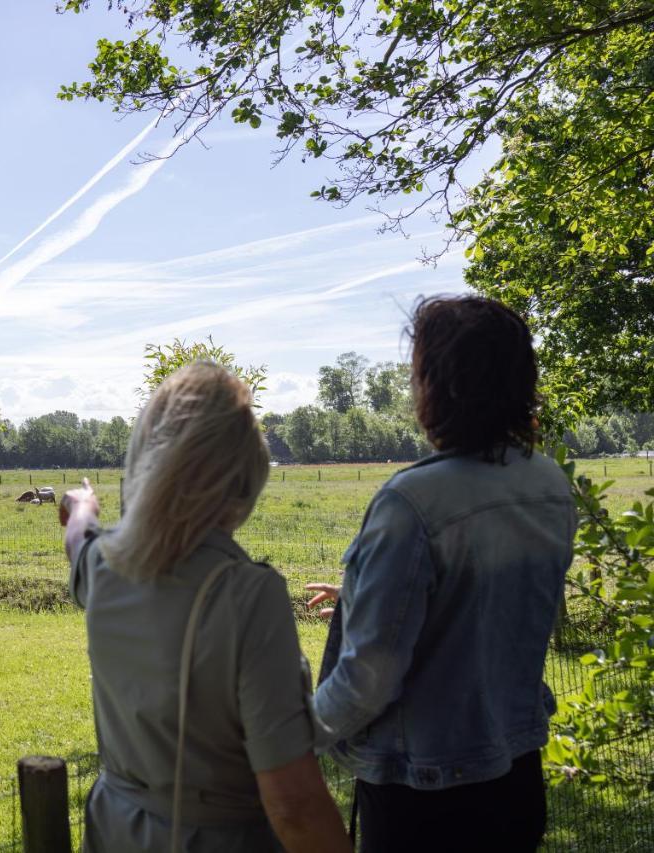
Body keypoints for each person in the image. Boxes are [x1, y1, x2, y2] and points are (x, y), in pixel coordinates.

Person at [305, 296, 577, 852]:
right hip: (517, 777)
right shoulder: (548, 484)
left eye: (417, 375)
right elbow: (484, 606)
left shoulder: (411, 501)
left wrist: (284, 739)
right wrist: (365, 597)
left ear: (439, 385)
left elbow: (368, 682)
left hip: (422, 797)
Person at [61, 361, 349, 853]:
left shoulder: (104, 567)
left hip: (114, 828)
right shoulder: (247, 596)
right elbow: (294, 806)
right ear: (241, 476)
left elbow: (77, 539)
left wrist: (82, 507)